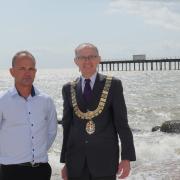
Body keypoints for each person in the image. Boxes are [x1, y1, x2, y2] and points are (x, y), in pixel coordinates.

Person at [60, 43, 136, 180]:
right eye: (82, 57)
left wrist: (126, 158)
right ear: (76, 61)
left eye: (92, 57)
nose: (87, 61)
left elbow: (122, 124)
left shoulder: (113, 85)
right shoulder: (68, 88)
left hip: (105, 161)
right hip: (75, 163)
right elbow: (67, 127)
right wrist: (65, 162)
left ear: (99, 59)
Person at [0, 51, 57, 180]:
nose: (27, 72)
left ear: (35, 72)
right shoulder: (2, 100)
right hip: (10, 171)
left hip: (41, 170)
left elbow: (51, 131)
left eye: (31, 68)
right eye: (22, 68)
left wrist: (38, 151)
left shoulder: (46, 100)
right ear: (12, 71)